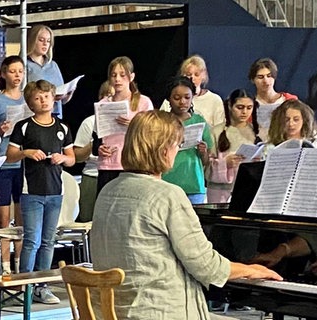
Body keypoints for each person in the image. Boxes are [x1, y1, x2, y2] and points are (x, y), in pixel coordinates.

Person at [91, 110, 282, 320]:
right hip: (158, 311)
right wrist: (250, 270)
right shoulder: (167, 196)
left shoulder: (107, 190)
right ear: (164, 150)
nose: (177, 150)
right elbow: (206, 266)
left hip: (114, 311)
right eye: (178, 144)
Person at [6, 79, 75, 304]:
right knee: (31, 240)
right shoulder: (24, 126)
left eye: (46, 96)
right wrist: (27, 153)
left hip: (55, 191)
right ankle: (25, 284)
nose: (43, 100)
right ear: (30, 103)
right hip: (31, 191)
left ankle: (42, 286)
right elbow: (10, 154)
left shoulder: (62, 127)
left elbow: (72, 158)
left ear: (54, 97)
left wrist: (62, 158)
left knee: (48, 240)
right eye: (37, 97)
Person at [94, 56, 154, 193]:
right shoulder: (104, 103)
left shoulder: (143, 102)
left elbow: (152, 135)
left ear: (131, 77)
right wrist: (100, 149)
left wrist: (134, 125)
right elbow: (97, 137)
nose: (118, 79)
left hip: (133, 163)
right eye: (114, 75)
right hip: (108, 165)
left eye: (122, 75)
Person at [0, 55, 26, 276]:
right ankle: (4, 264)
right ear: (3, 73)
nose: (17, 76)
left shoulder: (26, 99)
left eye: (20, 71)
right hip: (3, 162)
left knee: (22, 215)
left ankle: (20, 262)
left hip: (23, 162)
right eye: (12, 71)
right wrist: (0, 130)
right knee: (3, 216)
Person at [162, 76, 213, 204]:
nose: (182, 102)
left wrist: (203, 152)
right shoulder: (162, 122)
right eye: (177, 98)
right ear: (169, 98)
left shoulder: (199, 121)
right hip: (168, 182)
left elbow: (207, 161)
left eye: (187, 97)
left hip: (194, 184)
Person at [206, 89, 261, 203]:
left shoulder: (258, 132)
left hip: (249, 189)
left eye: (249, 108)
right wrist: (225, 163)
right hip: (220, 192)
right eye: (240, 107)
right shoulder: (216, 132)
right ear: (230, 105)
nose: (244, 112)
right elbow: (206, 165)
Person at [73, 80, 114, 221]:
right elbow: (77, 157)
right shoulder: (89, 122)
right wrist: (94, 143)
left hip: (117, 175)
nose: (111, 100)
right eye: (108, 95)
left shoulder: (127, 121)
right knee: (89, 221)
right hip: (92, 175)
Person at [160, 55, 225, 131]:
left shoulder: (214, 100)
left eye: (196, 75)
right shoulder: (170, 99)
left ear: (204, 76)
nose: (192, 78)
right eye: (188, 74)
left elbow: (219, 129)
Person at [26, 24, 71, 118]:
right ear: (32, 41)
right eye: (41, 40)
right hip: (35, 116)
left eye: (48, 41)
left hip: (56, 116)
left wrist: (68, 94)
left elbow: (63, 99)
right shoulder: (25, 64)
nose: (45, 44)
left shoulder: (53, 65)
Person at [248, 58, 297, 140]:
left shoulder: (289, 100)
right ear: (253, 80)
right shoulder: (248, 105)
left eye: (269, 76)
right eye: (260, 77)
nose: (266, 81)